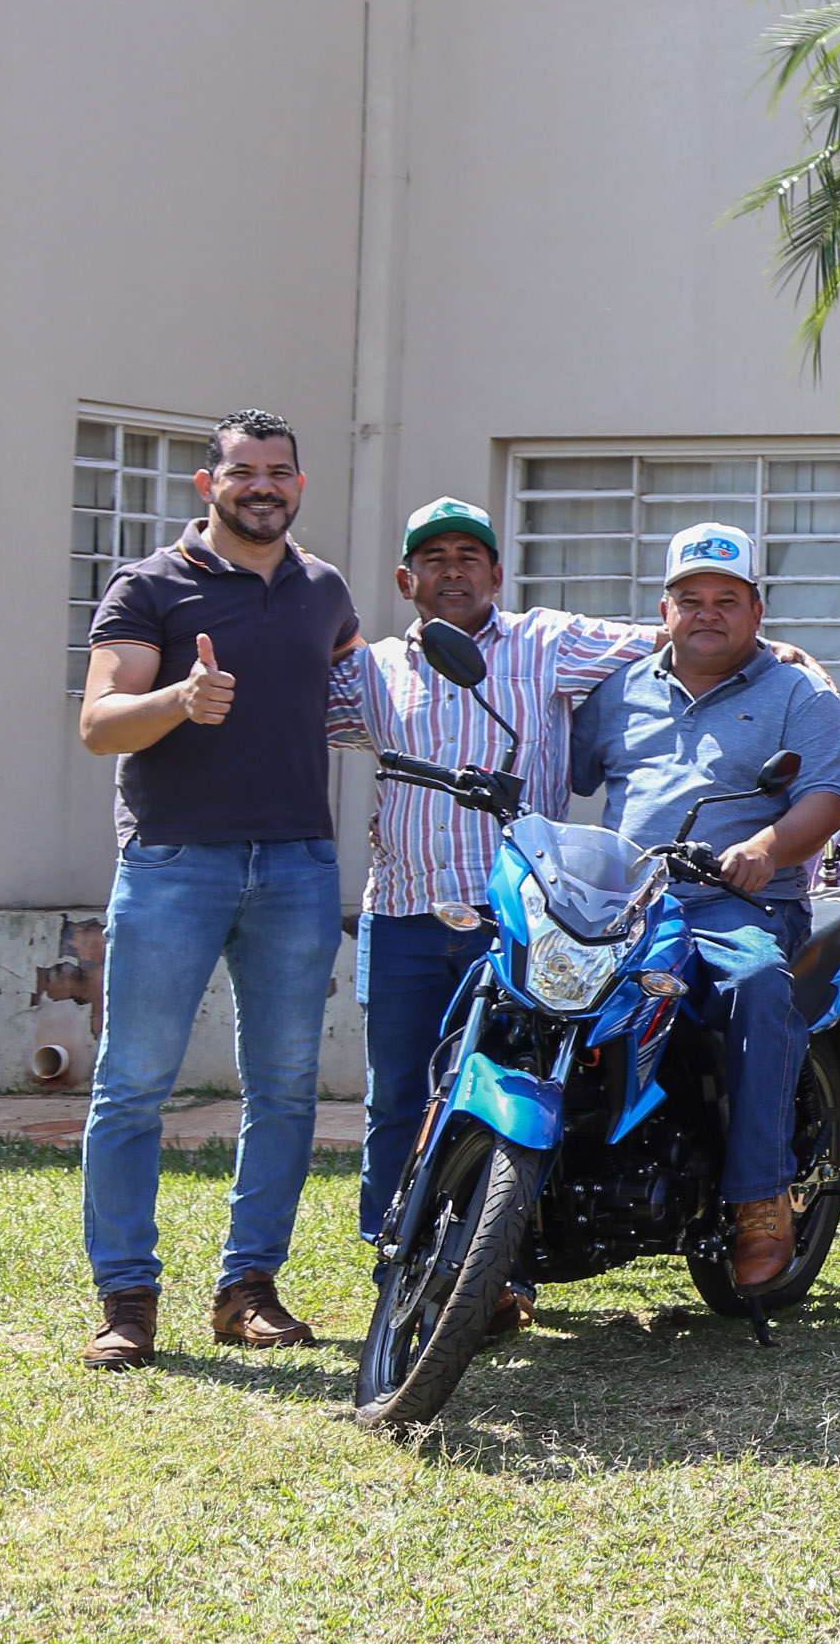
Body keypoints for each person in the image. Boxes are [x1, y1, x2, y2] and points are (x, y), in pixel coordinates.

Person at [73, 410, 362, 1370]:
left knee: (283, 1091)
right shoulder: (149, 586)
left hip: (296, 864)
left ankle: (248, 1289)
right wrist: (177, 703)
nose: (263, 486)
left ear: (299, 485)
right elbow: (101, 724)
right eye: (244, 472)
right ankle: (127, 1299)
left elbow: (370, 684)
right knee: (132, 1087)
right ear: (210, 484)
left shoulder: (323, 590)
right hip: (174, 862)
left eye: (279, 471)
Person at [325, 498, 651, 1278]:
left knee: (514, 1097)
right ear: (407, 580)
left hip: (514, 921)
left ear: (497, 574)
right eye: (433, 558)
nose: (453, 570)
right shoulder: (373, 669)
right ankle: (395, 1261)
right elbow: (289, 714)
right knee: (398, 1099)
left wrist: (783, 656)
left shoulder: (548, 642)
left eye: (469, 557)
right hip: (402, 916)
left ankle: (496, 1265)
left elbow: (677, 637)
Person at [566, 521, 840, 1292]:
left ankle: (761, 1196)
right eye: (689, 598)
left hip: (738, 908)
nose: (707, 613)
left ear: (757, 612)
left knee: (760, 984)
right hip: (624, 912)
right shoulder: (619, 690)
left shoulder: (800, 692)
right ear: (663, 610)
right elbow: (553, 771)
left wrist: (764, 848)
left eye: (727, 599)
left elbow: (826, 797)